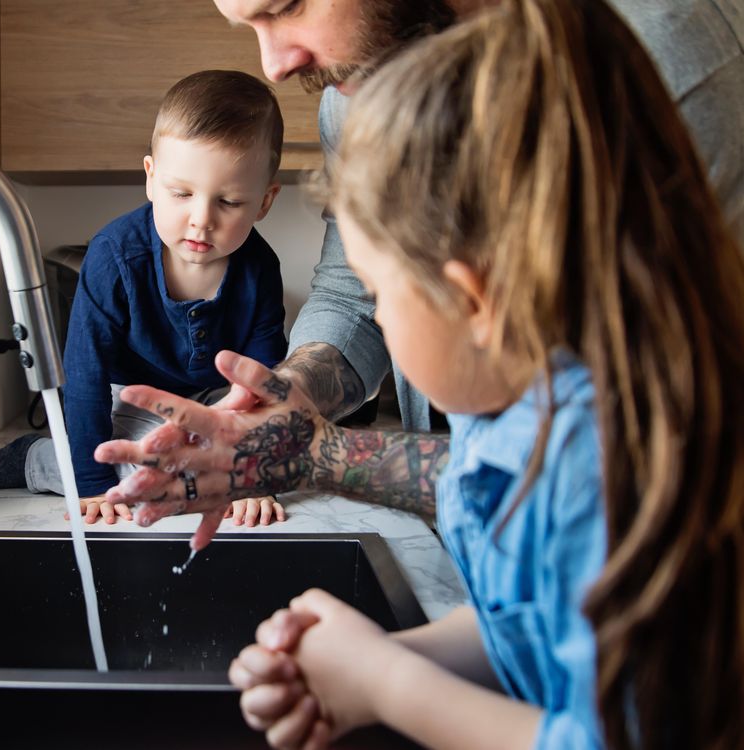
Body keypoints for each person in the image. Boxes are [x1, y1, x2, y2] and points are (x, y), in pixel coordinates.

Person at [223, 0, 743, 747]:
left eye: (385, 296)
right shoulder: (521, 434)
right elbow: (530, 626)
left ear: (472, 299)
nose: (273, 63)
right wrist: (375, 666)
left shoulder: (597, 471)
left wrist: (389, 684)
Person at [93, 0, 744, 548]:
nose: (274, 63)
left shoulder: (664, 59)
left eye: (288, 5)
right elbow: (352, 291)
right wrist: (284, 401)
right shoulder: (356, 92)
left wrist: (313, 455)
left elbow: (632, 464)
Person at [0, 70, 287, 527]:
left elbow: (260, 384)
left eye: (229, 202)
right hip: (123, 400)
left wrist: (255, 478)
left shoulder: (259, 267)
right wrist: (92, 483)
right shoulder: (114, 256)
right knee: (145, 463)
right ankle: (37, 459)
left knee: (283, 453)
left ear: (264, 202)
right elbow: (85, 371)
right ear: (151, 179)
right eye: (181, 194)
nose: (201, 220)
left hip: (209, 400)